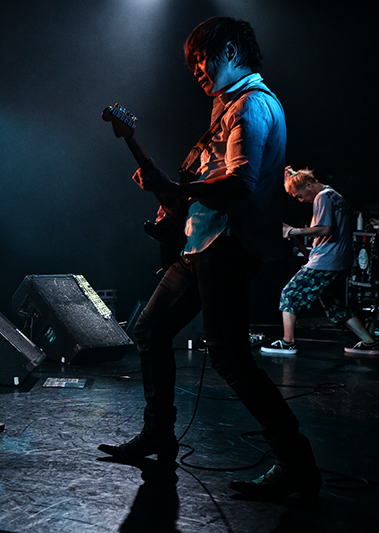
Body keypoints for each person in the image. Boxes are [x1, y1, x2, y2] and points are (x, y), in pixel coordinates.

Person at [98, 17, 320, 500]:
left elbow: (241, 183)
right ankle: (159, 434)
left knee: (229, 356)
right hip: (200, 245)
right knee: (150, 330)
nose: (197, 67)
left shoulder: (252, 105)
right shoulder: (224, 109)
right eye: (193, 61)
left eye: (205, 56)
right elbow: (207, 179)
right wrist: (173, 192)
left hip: (228, 247)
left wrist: (176, 188)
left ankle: (296, 462)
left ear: (235, 51)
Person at [261, 167, 378, 356]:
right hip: (338, 261)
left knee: (289, 294)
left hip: (327, 261)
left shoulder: (322, 197)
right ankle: (369, 342)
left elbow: (324, 229)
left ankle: (288, 342)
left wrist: (295, 231)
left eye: (299, 195)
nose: (300, 200)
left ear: (309, 185)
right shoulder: (334, 195)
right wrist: (293, 236)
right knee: (336, 305)